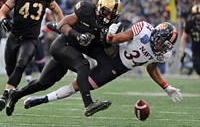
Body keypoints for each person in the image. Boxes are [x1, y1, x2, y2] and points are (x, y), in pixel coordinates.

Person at [7, 21, 183, 117]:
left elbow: (152, 69)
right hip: (110, 51)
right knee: (88, 39)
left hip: (117, 67)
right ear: (154, 34)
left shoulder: (163, 54)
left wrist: (166, 87)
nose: (159, 46)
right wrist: (110, 36)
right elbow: (117, 40)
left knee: (78, 86)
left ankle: (38, 100)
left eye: (164, 45)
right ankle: (58, 27)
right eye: (159, 41)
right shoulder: (143, 29)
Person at [5, 0, 123, 117]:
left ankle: (15, 95)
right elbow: (62, 24)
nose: (108, 17)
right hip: (62, 45)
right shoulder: (87, 10)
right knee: (83, 65)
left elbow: (111, 53)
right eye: (106, 12)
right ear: (99, 7)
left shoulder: (113, 26)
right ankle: (88, 104)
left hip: (74, 51)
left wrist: (108, 39)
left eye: (112, 15)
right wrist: (76, 35)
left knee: (43, 83)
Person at [0, 0, 64, 115]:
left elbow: (57, 11)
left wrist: (61, 28)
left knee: (21, 64)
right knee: (10, 69)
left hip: (30, 40)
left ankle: (4, 97)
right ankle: (12, 96)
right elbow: (2, 11)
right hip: (13, 38)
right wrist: (3, 19)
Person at [24, 8, 54, 84]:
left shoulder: (46, 9)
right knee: (28, 59)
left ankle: (43, 79)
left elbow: (51, 22)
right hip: (28, 37)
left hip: (40, 37)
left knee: (40, 60)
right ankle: (28, 80)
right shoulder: (26, 6)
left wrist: (46, 30)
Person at [180, 4, 200, 76]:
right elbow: (184, 37)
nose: (198, 16)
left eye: (199, 14)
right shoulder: (189, 24)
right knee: (198, 68)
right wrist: (182, 51)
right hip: (196, 50)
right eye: (196, 14)